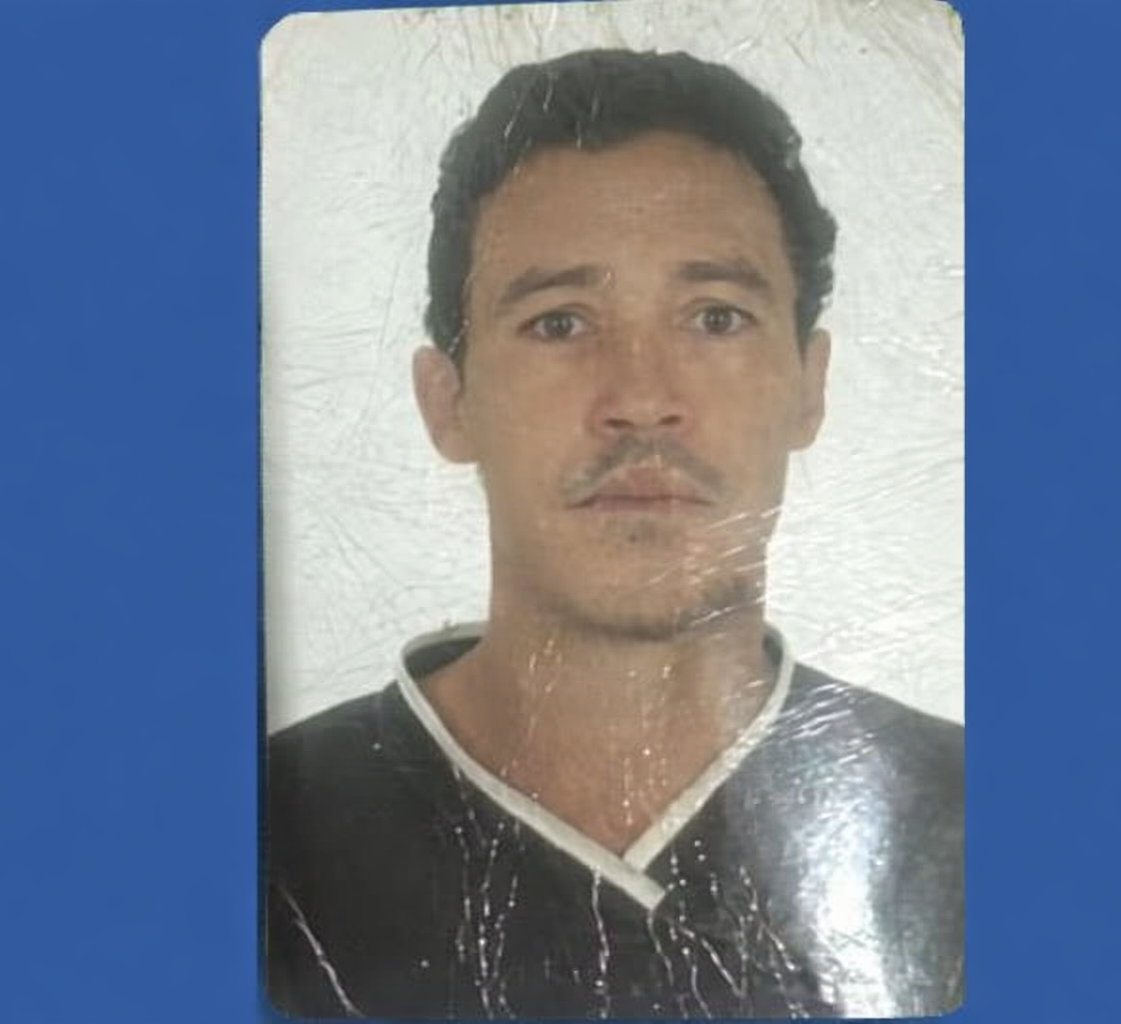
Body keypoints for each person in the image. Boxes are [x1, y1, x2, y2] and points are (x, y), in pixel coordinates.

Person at [265, 47, 963, 1019]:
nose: (640, 397)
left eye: (715, 317)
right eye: (560, 323)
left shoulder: (971, 821)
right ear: (447, 401)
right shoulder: (264, 835)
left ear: (809, 386)